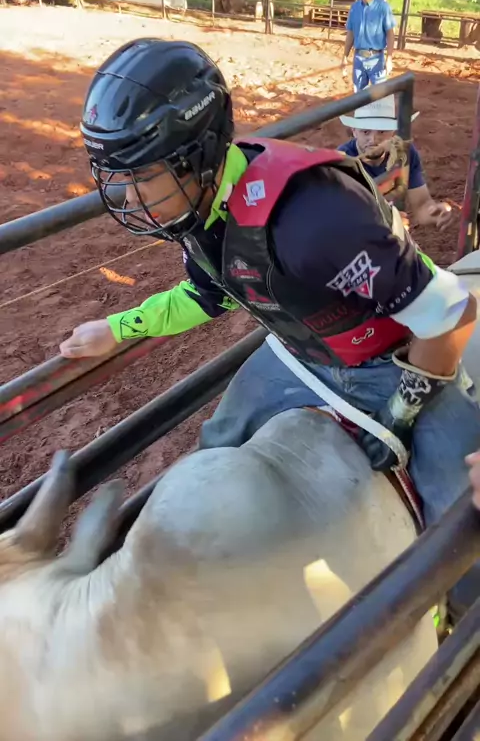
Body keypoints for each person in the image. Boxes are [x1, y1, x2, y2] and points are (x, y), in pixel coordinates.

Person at [60, 38, 480, 615]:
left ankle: (459, 638)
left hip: (398, 357)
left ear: (199, 155)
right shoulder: (201, 205)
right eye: (118, 176)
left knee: (461, 522)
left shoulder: (316, 221)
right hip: (302, 350)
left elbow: (452, 312)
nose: (127, 196)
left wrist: (406, 407)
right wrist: (121, 327)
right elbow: (207, 293)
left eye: (143, 176)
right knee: (218, 445)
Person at [337, 95, 453, 229]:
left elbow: (421, 204)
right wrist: (387, 221)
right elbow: (341, 218)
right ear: (354, 131)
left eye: (382, 132)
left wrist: (434, 213)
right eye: (365, 132)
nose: (373, 139)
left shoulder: (404, 153)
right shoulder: (342, 161)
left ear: (393, 132)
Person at [341, 0, 396, 92]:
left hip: (376, 59)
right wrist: (345, 56)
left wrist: (389, 58)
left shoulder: (383, 7)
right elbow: (350, 34)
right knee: (359, 95)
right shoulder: (354, 8)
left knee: (380, 94)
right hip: (358, 58)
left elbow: (390, 34)